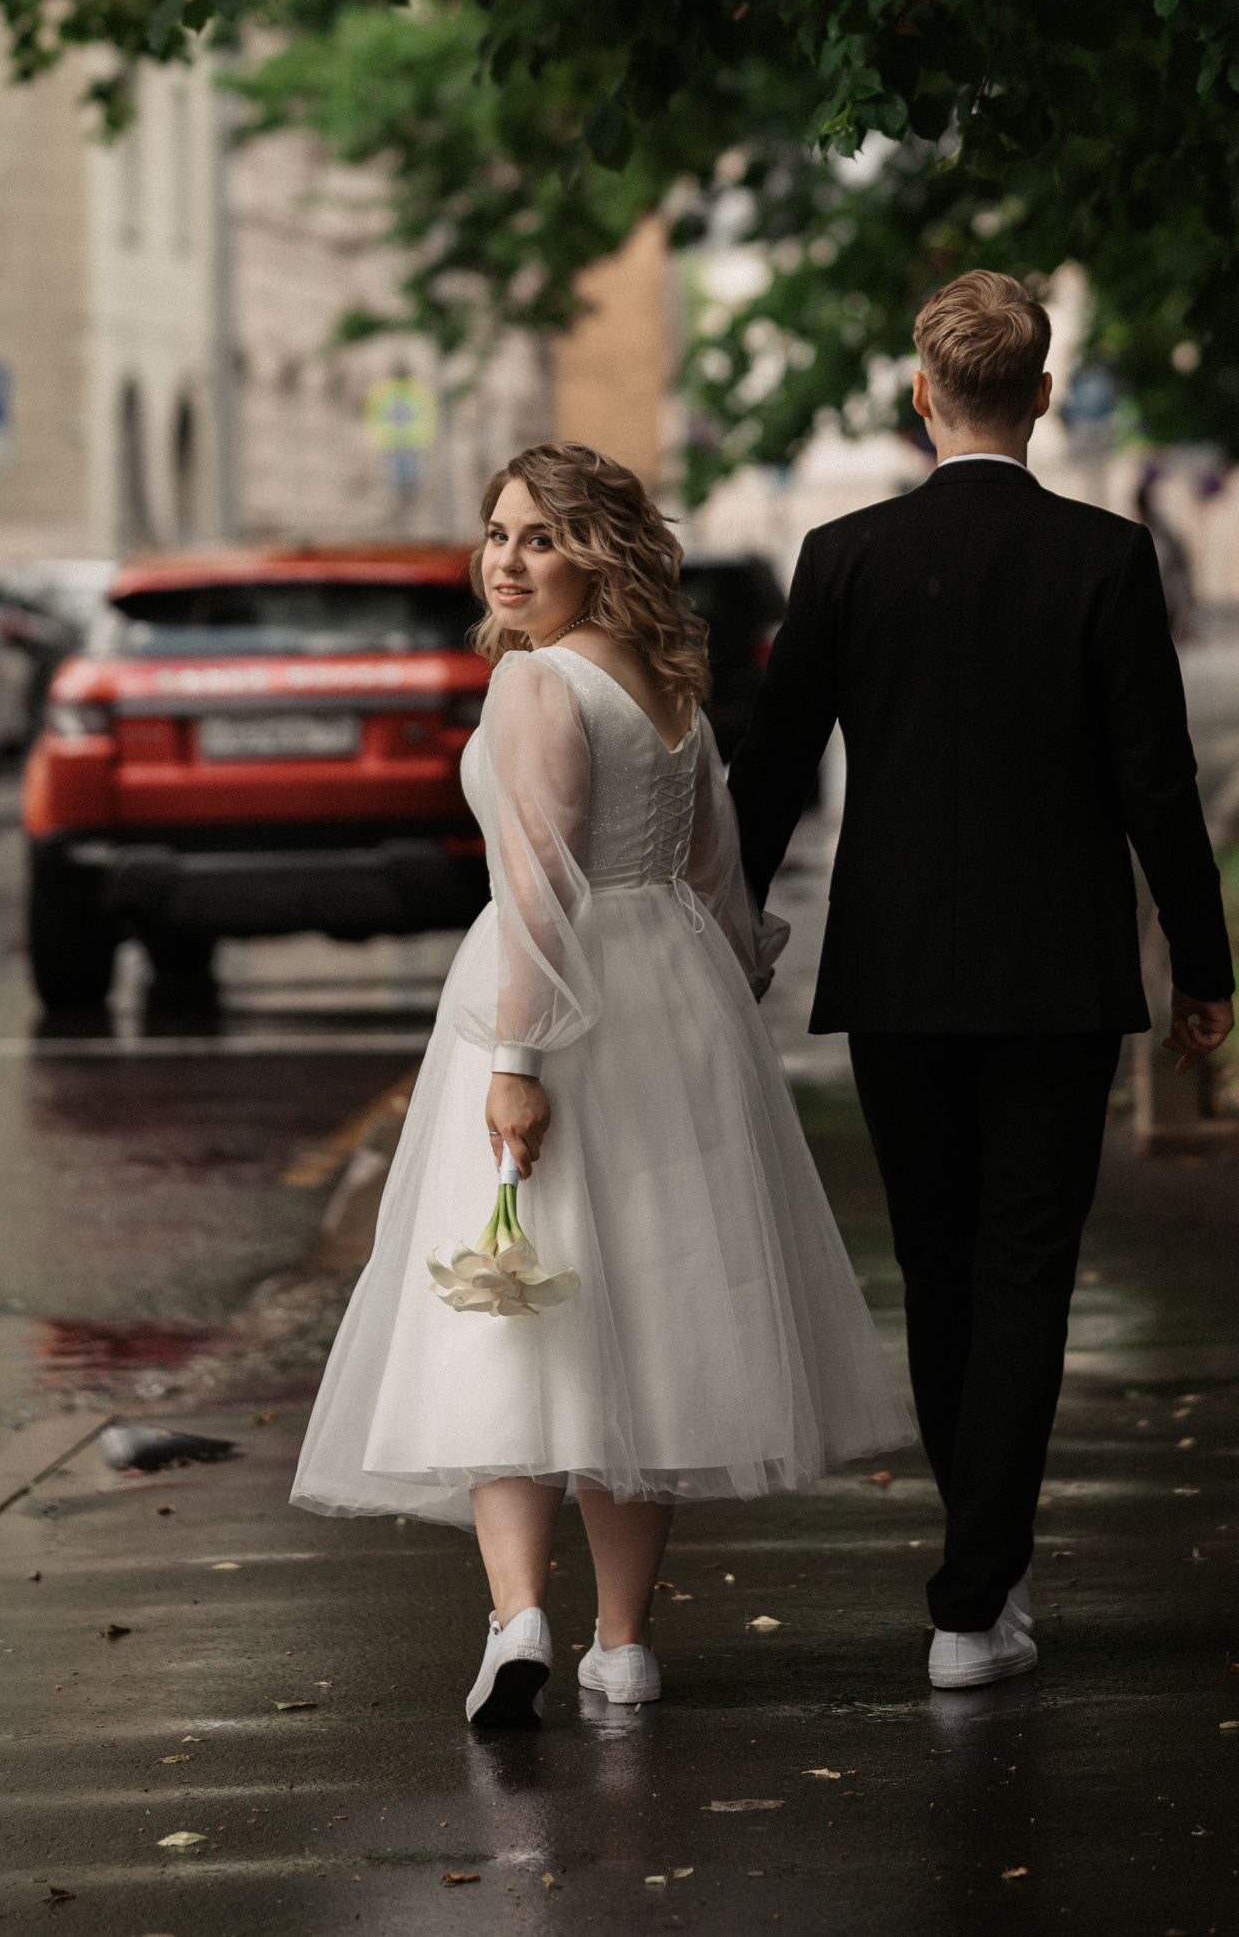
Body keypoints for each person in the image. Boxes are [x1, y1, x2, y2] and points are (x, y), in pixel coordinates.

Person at [292, 443, 910, 1727]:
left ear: (597, 551)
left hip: (554, 1007)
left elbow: (537, 890)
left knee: (513, 1306)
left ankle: (519, 1612)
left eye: (539, 537)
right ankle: (621, 1647)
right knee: (652, 1310)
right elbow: (712, 870)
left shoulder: (535, 686)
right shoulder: (667, 684)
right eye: (498, 534)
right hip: (668, 999)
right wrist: (727, 990)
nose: (507, 560)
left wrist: (514, 1064)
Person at [729, 271, 1236, 1690]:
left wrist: (722, 929)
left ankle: (979, 1578)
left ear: (920, 394)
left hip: (893, 975)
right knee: (1024, 1274)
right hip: (1058, 982)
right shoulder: (1104, 559)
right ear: (1045, 396)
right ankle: (975, 1604)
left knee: (943, 1273)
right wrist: (1204, 968)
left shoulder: (840, 558)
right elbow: (1158, 781)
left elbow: (770, 774)